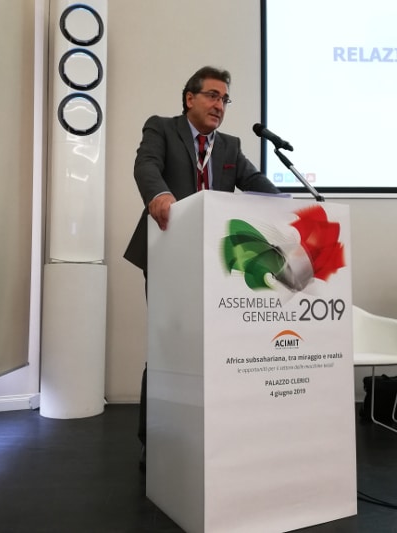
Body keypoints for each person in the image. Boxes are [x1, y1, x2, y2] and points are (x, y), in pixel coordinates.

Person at [123, 66, 281, 471]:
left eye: (225, 99)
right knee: (168, 347)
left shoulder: (229, 146)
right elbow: (146, 165)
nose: (219, 105)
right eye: (212, 95)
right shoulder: (162, 128)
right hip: (168, 256)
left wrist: (289, 207)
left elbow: (255, 182)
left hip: (215, 263)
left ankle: (211, 432)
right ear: (189, 98)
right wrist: (159, 194)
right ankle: (155, 440)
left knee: (214, 347)